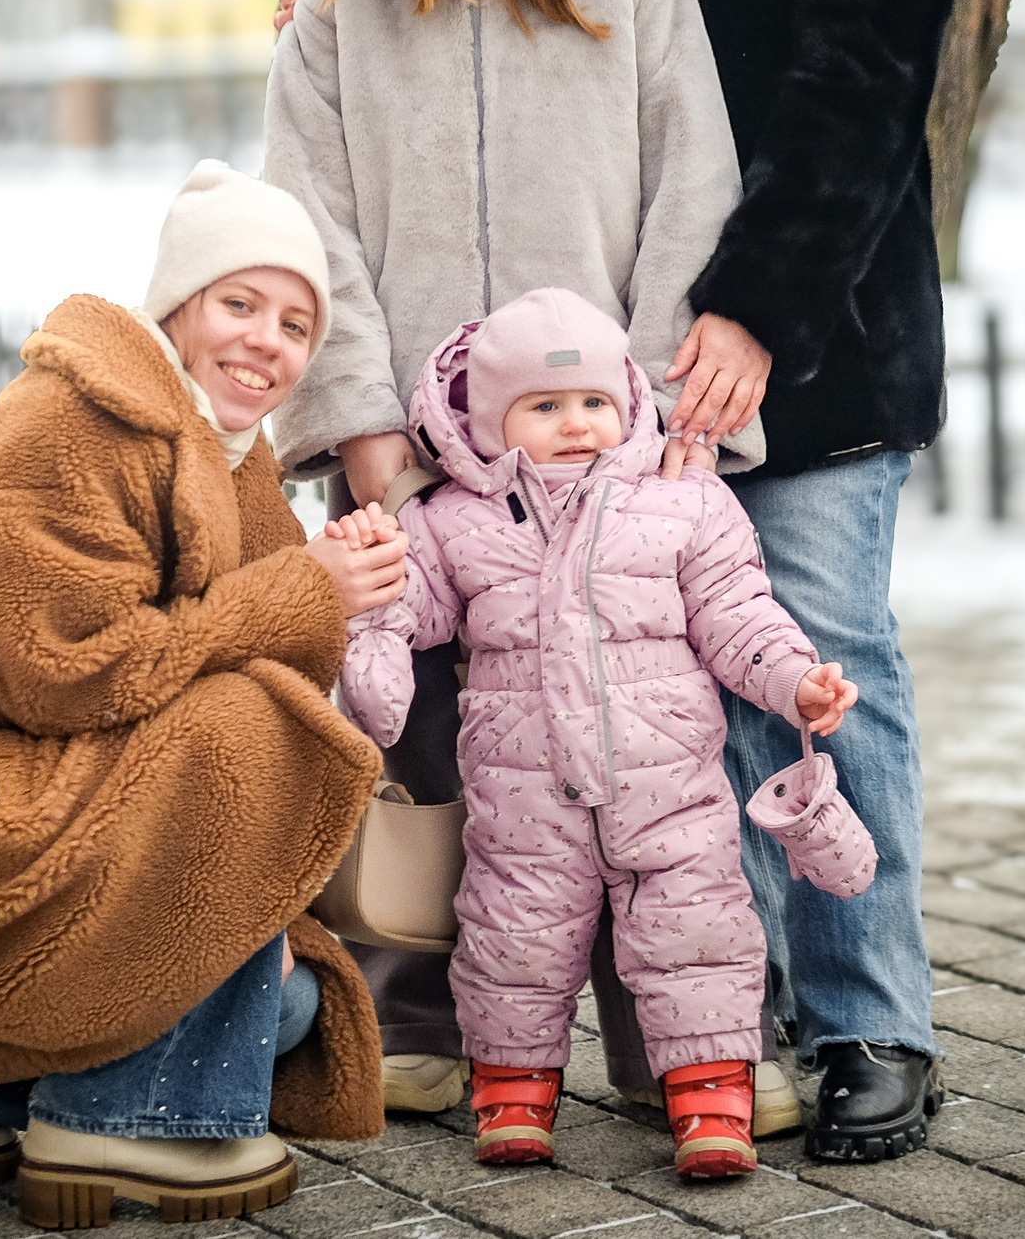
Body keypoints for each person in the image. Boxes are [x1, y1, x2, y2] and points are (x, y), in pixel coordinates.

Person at [260, 0, 794, 1126]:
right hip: (418, 443)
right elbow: (310, 206)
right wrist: (363, 421)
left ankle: (671, 1036)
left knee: (635, 727)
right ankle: (420, 1015)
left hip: (599, 436)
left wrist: (657, 410)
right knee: (428, 730)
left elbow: (696, 179)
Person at [0, 161, 410, 1227]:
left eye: (295, 325)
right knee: (249, 734)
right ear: (178, 306)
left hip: (8, 816)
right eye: (239, 304)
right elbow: (73, 673)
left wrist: (338, 583)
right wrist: (301, 591)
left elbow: (275, 651)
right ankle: (125, 1117)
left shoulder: (233, 462)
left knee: (279, 1007)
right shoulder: (76, 423)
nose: (266, 343)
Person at [598, 0, 959, 1163]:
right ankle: (716, 1018)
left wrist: (752, 310)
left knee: (824, 673)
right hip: (661, 356)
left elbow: (853, 112)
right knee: (685, 689)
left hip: (819, 345)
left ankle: (870, 1022)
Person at [329, 289, 860, 1178]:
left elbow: (737, 612)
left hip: (670, 788)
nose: (576, 424)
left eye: (593, 403)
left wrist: (794, 678)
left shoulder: (681, 500)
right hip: (524, 795)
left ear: (626, 402)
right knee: (513, 940)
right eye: (543, 406)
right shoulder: (454, 517)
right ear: (490, 422)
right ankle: (513, 1094)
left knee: (695, 932)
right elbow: (415, 610)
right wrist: (375, 586)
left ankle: (711, 1098)